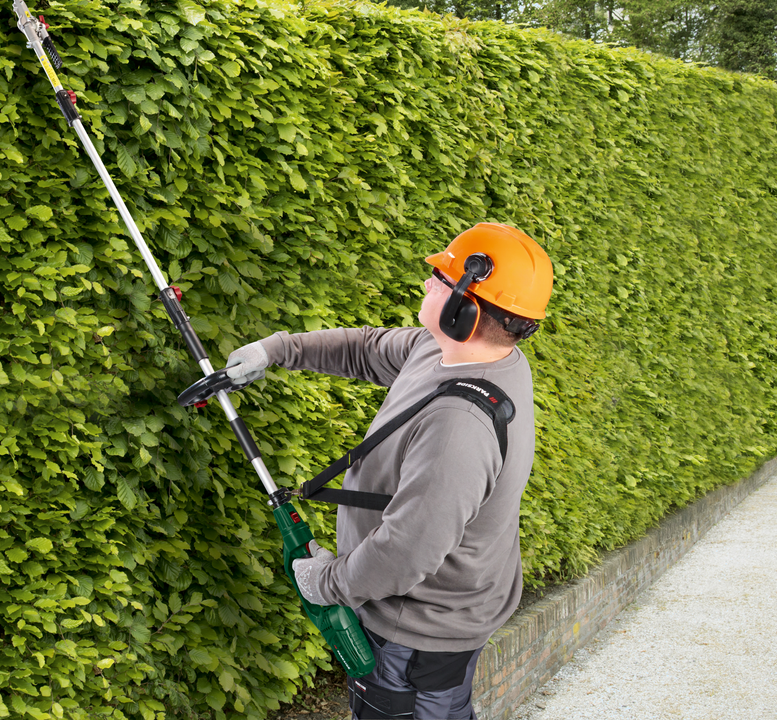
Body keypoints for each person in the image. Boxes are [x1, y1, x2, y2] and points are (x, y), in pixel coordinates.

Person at [224, 223, 553, 720]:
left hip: (416, 636)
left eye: (440, 278)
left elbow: (407, 551)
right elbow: (366, 348)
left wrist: (328, 583)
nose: (427, 284)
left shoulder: (459, 426)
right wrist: (275, 350)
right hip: (419, 620)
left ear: (465, 308)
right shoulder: (450, 353)